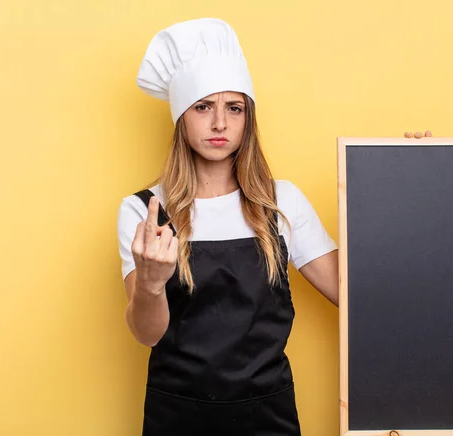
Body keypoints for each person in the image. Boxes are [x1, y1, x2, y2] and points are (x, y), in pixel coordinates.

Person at [116, 18, 339, 435]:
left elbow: (355, 294)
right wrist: (150, 282)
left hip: (267, 417)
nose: (219, 123)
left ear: (246, 119)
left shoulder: (281, 202)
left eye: (233, 108)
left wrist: (398, 184)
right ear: (182, 117)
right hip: (177, 417)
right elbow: (147, 334)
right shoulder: (146, 210)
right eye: (203, 107)